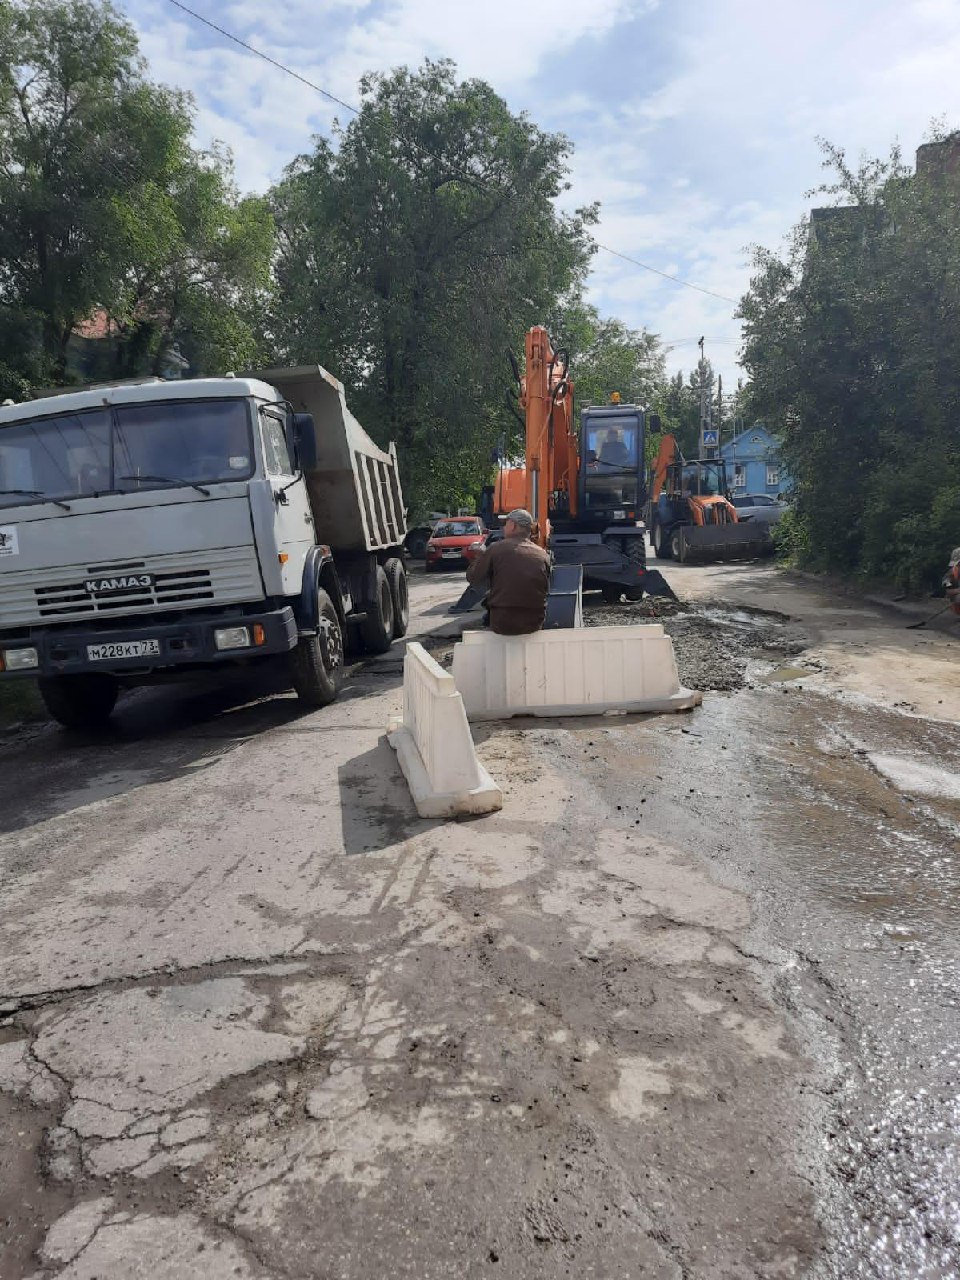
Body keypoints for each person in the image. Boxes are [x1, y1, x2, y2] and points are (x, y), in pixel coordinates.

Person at [465, 508, 551, 636]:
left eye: (506, 524)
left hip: (503, 623)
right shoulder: (543, 554)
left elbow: (473, 577)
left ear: (513, 525)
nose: (504, 528)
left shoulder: (495, 549)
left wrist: (480, 557)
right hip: (534, 624)